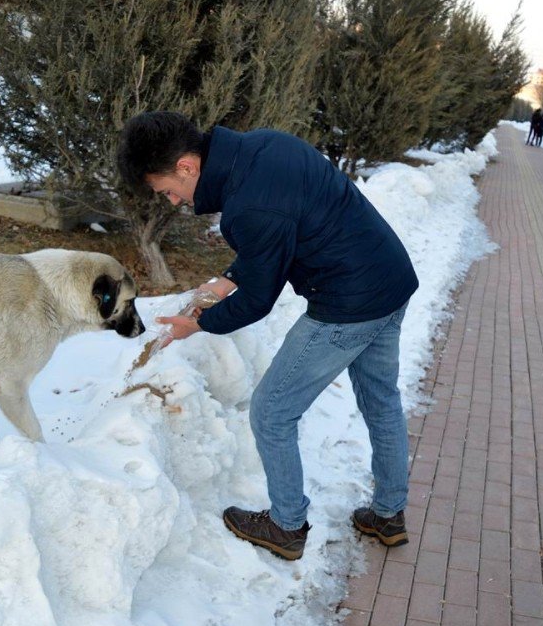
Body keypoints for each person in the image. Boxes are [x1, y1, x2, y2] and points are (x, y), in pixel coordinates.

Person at [117, 112, 419, 560]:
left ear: (185, 165)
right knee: (380, 399)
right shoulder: (264, 146)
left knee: (272, 412)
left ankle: (286, 525)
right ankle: (389, 513)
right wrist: (225, 281)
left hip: (348, 303)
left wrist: (198, 325)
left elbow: (259, 298)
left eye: (166, 190)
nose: (175, 201)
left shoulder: (246, 207)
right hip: (389, 278)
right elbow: (276, 236)